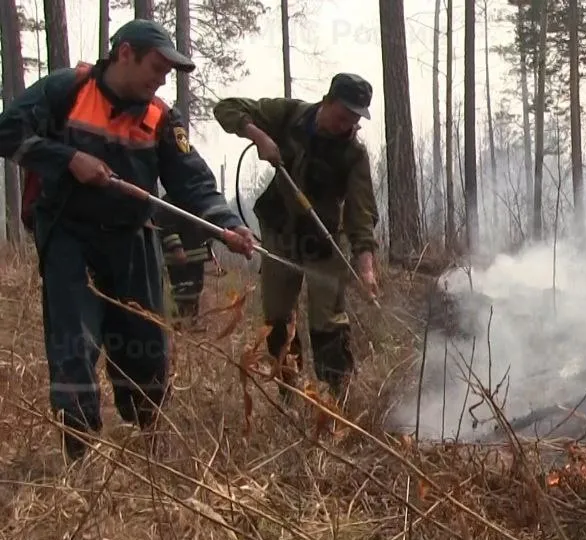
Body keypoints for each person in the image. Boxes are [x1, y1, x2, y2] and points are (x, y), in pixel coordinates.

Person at [0, 19, 256, 462]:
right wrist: (68, 158)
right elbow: (7, 133)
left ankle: (150, 449)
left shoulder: (159, 117)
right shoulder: (66, 91)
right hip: (69, 237)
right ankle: (78, 457)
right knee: (74, 345)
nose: (161, 79)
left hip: (134, 242)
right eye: (156, 67)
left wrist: (226, 222)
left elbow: (191, 180)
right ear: (125, 54)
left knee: (146, 348)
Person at [212, 73, 380, 402]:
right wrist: (258, 135)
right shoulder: (289, 115)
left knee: (329, 322)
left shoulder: (353, 155)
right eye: (343, 116)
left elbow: (361, 216)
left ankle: (335, 402)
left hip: (323, 240)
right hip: (280, 233)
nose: (348, 125)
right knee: (277, 318)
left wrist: (367, 267)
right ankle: (289, 392)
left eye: (355, 119)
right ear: (327, 101)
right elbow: (226, 109)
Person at [155, 193, 214, 323]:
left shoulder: (197, 199)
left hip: (197, 255)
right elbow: (166, 226)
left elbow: (206, 225)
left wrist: (209, 249)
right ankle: (179, 323)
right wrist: (176, 247)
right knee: (181, 290)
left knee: (196, 289)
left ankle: (192, 321)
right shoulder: (169, 201)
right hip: (178, 258)